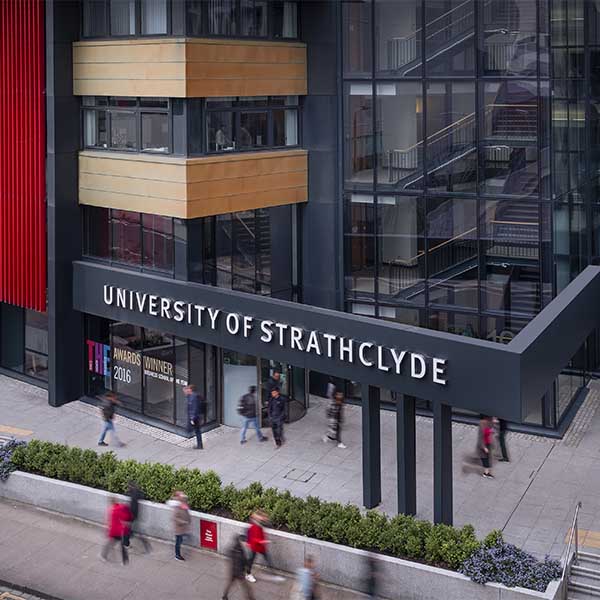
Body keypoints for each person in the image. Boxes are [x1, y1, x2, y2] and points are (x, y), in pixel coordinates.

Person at [245, 511, 284, 583]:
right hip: (255, 546)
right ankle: (248, 574)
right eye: (260, 519)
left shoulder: (258, 524)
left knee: (267, 559)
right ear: (255, 519)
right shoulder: (255, 527)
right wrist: (267, 541)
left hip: (260, 547)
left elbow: (266, 522)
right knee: (251, 560)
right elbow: (256, 540)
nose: (262, 519)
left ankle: (274, 575)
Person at [222, 534, 255, 600]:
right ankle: (250, 598)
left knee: (230, 584)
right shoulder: (238, 551)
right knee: (247, 587)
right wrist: (242, 572)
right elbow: (238, 563)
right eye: (245, 542)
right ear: (241, 541)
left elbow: (242, 560)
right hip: (238, 572)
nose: (246, 543)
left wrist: (246, 565)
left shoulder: (239, 548)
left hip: (235, 571)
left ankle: (224, 596)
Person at [101, 497, 132, 565]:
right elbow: (124, 517)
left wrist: (107, 531)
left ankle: (104, 555)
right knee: (121, 546)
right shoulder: (120, 507)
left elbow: (110, 522)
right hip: (119, 531)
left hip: (114, 531)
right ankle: (125, 560)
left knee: (110, 544)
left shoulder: (112, 510)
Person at [124, 481, 151, 553]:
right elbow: (142, 496)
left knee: (129, 530)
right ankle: (127, 543)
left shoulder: (131, 493)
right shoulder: (136, 493)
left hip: (130, 515)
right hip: (133, 515)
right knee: (133, 530)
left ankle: (126, 542)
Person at [170, 490, 191, 561]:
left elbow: (186, 502)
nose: (183, 495)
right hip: (179, 529)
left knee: (180, 539)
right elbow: (174, 518)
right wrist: (183, 522)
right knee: (178, 542)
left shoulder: (182, 503)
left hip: (183, 528)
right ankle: (177, 555)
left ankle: (184, 537)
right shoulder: (177, 507)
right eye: (181, 495)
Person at [185, 384, 205, 450]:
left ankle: (200, 445)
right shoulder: (191, 396)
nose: (186, 390)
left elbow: (194, 408)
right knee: (197, 431)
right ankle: (200, 445)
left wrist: (192, 418)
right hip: (195, 417)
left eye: (187, 389)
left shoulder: (193, 397)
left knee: (197, 431)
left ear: (190, 390)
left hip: (195, 418)